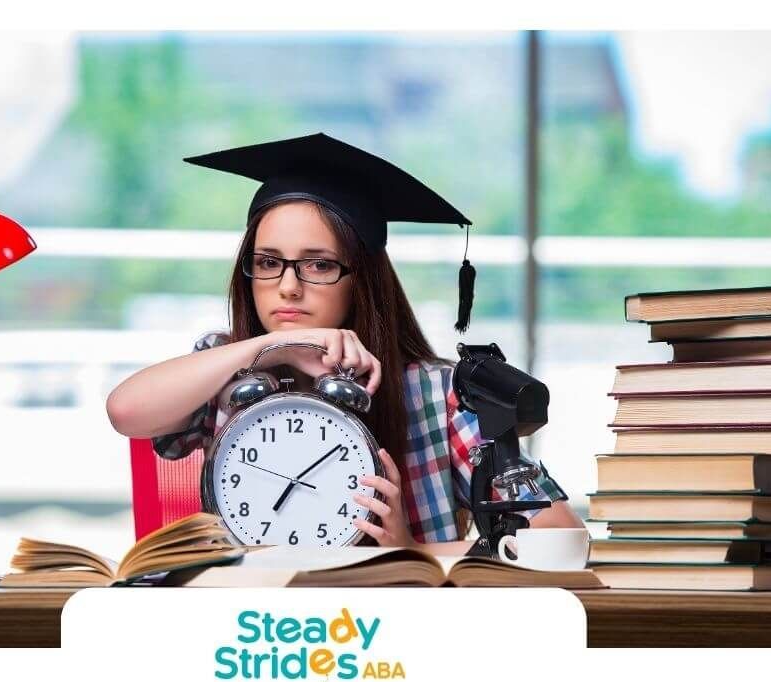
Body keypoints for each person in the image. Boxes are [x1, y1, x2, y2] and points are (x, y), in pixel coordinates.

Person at [106, 133, 583, 554]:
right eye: (268, 262)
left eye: (319, 265)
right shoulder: (225, 365)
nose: (288, 287)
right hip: (250, 612)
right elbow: (125, 411)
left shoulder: (436, 395)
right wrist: (267, 349)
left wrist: (414, 551)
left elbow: (559, 533)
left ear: (363, 279)